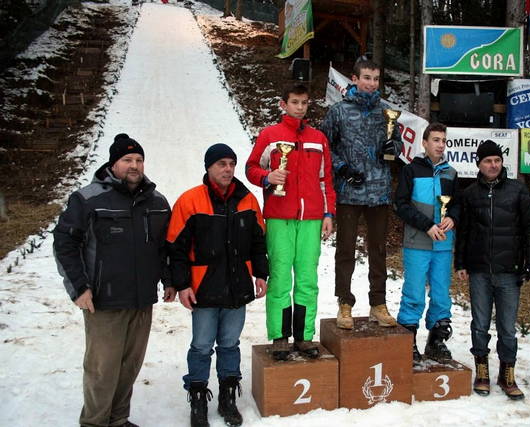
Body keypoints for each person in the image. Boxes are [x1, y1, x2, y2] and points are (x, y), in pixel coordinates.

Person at [53, 133, 174, 427]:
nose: (134, 165)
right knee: (102, 368)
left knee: (130, 366)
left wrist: (169, 280)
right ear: (113, 164)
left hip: (141, 299)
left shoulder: (157, 202)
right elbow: (65, 244)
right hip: (104, 301)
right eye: (127, 160)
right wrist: (79, 288)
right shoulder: (88, 199)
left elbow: (164, 248)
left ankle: (118, 419)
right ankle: (94, 422)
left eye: (139, 160)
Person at [167, 144, 268, 427]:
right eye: (221, 163)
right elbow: (175, 247)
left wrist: (261, 274)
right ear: (208, 167)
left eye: (231, 164)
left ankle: (228, 397)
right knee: (201, 346)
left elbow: (258, 242)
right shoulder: (190, 201)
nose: (228, 169)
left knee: (229, 345)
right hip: (203, 289)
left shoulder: (248, 200)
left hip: (237, 287)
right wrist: (182, 284)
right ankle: (198, 398)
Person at [246, 84, 336, 360]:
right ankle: (280, 336)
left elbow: (326, 179)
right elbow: (251, 168)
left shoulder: (318, 139)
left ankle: (304, 336)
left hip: (311, 218)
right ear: (283, 104)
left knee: (308, 279)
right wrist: (267, 177)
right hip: (279, 217)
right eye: (295, 102)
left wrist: (328, 214)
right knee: (280, 278)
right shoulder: (270, 135)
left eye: (304, 102)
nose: (300, 107)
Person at [454, 140, 530, 401]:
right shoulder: (470, 194)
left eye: (497, 160)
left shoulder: (518, 190)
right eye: (487, 161)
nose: (493, 165)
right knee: (480, 324)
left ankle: (507, 374)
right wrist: (460, 263)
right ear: (478, 165)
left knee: (507, 327)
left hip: (509, 270)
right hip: (479, 270)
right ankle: (482, 371)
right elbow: (464, 232)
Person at [320, 58, 402, 329]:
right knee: (345, 250)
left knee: (378, 250)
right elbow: (323, 147)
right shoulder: (339, 111)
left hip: (379, 192)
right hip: (349, 192)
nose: (371, 83)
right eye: (367, 77)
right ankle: (345, 302)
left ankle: (378, 303)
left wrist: (392, 150)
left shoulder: (387, 112)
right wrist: (341, 168)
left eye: (376, 79)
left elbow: (398, 146)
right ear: (354, 79)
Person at [394, 122, 460, 363]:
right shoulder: (411, 170)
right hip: (417, 242)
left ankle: (436, 341)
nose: (440, 145)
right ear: (424, 143)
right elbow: (400, 204)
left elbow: (458, 204)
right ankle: (408, 341)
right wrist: (427, 225)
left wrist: (453, 217)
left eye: (444, 141)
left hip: (443, 244)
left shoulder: (451, 172)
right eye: (435, 140)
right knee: (414, 292)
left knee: (441, 293)